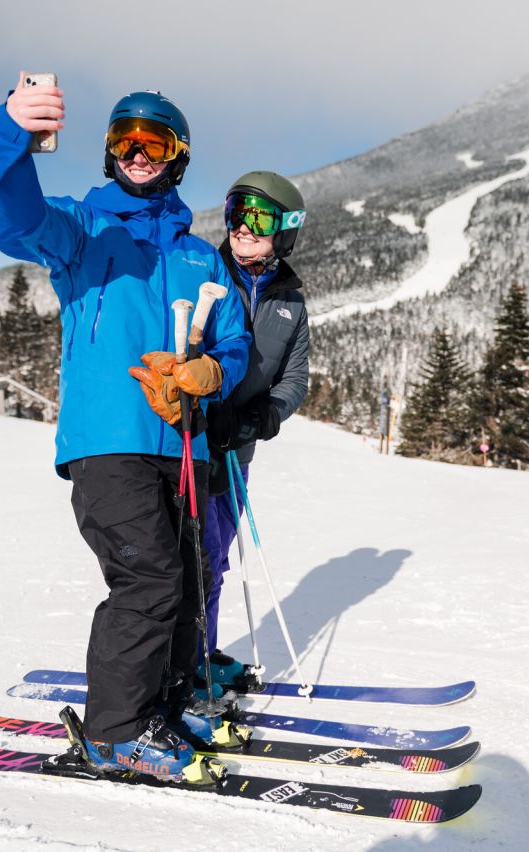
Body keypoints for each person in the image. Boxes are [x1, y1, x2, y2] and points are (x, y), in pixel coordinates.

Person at [0, 73, 251, 782]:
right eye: (124, 141)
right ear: (108, 153)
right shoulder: (79, 230)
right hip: (107, 445)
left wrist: (210, 375)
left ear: (177, 154)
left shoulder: (198, 256)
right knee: (149, 579)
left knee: (190, 580)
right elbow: (12, 218)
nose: (138, 152)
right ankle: (114, 732)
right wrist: (10, 134)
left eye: (153, 140)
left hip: (182, 447)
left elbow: (232, 343)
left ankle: (160, 708)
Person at [198, 172, 311, 691]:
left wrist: (265, 415)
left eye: (258, 218)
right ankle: (181, 661)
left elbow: (295, 376)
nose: (242, 227)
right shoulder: (203, 271)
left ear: (284, 230)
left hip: (237, 451)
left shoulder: (291, 301)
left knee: (214, 558)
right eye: (235, 213)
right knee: (187, 559)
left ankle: (201, 653)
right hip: (191, 444)